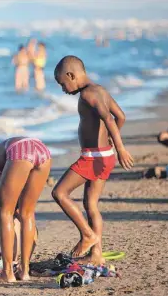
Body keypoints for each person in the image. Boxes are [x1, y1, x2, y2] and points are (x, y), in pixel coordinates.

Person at [52, 55, 134, 265]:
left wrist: (121, 147)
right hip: (104, 155)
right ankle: (96, 254)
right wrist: (110, 141)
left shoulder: (88, 95)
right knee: (91, 204)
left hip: (93, 157)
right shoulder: (101, 90)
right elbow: (120, 117)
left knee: (59, 193)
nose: (63, 89)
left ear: (71, 75)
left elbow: (108, 118)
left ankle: (87, 235)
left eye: (63, 84)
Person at [0, 137, 52, 282]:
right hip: (42, 149)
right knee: (27, 213)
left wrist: (7, 210)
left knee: (4, 212)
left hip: (21, 150)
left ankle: (7, 273)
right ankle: (24, 271)